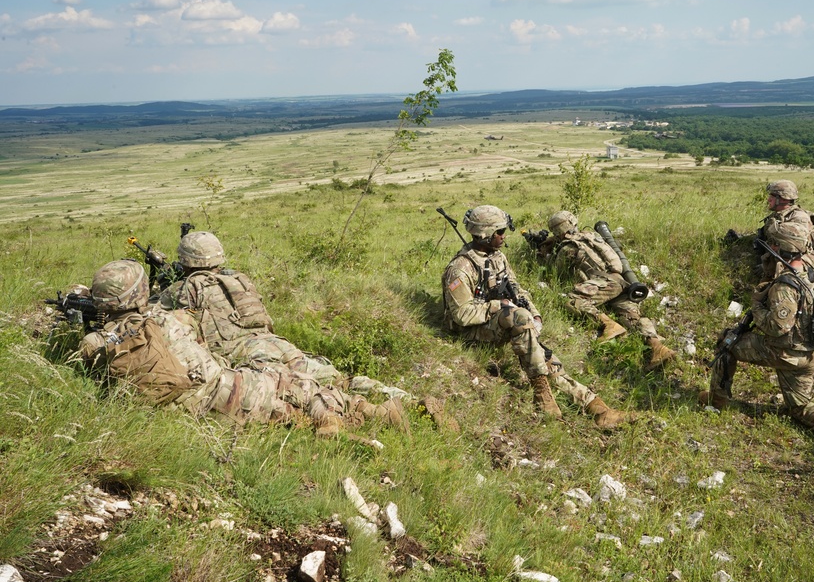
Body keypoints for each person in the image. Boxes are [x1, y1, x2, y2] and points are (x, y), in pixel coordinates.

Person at [78, 260, 408, 436]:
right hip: (229, 389)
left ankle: (342, 420)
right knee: (296, 387)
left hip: (196, 410)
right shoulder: (170, 318)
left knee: (288, 397)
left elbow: (99, 355)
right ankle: (371, 412)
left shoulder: (97, 344)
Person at [441, 205, 628, 429]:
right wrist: (498, 306)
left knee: (544, 355)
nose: (503, 236)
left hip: (502, 321)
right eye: (499, 232)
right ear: (484, 234)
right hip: (472, 331)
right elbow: (462, 314)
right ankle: (541, 393)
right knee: (519, 319)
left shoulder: (497, 258)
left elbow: (517, 290)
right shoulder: (460, 269)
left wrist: (535, 315)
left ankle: (597, 407)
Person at [699, 222, 814, 456]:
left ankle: (716, 401)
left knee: (727, 343)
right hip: (809, 354)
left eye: (773, 244)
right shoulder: (813, 275)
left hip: (784, 353)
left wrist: (757, 305)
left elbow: (777, 327)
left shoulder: (785, 286)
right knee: (799, 407)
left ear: (781, 248)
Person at [159, 231, 344, 386]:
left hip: (247, 354)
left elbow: (154, 315)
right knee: (331, 377)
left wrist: (162, 286)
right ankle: (368, 387)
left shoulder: (186, 288)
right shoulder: (238, 278)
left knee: (296, 386)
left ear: (185, 260)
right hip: (274, 342)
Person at [541, 210, 675, 370]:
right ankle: (658, 347)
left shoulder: (568, 248)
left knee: (571, 300)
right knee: (631, 317)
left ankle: (609, 325)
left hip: (605, 283)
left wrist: (545, 254)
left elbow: (557, 273)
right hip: (623, 282)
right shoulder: (591, 236)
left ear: (557, 231)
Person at [758, 180, 814, 282]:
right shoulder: (780, 215)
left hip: (799, 261)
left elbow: (796, 248)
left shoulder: (799, 218)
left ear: (782, 199)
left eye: (772, 195)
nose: (768, 199)